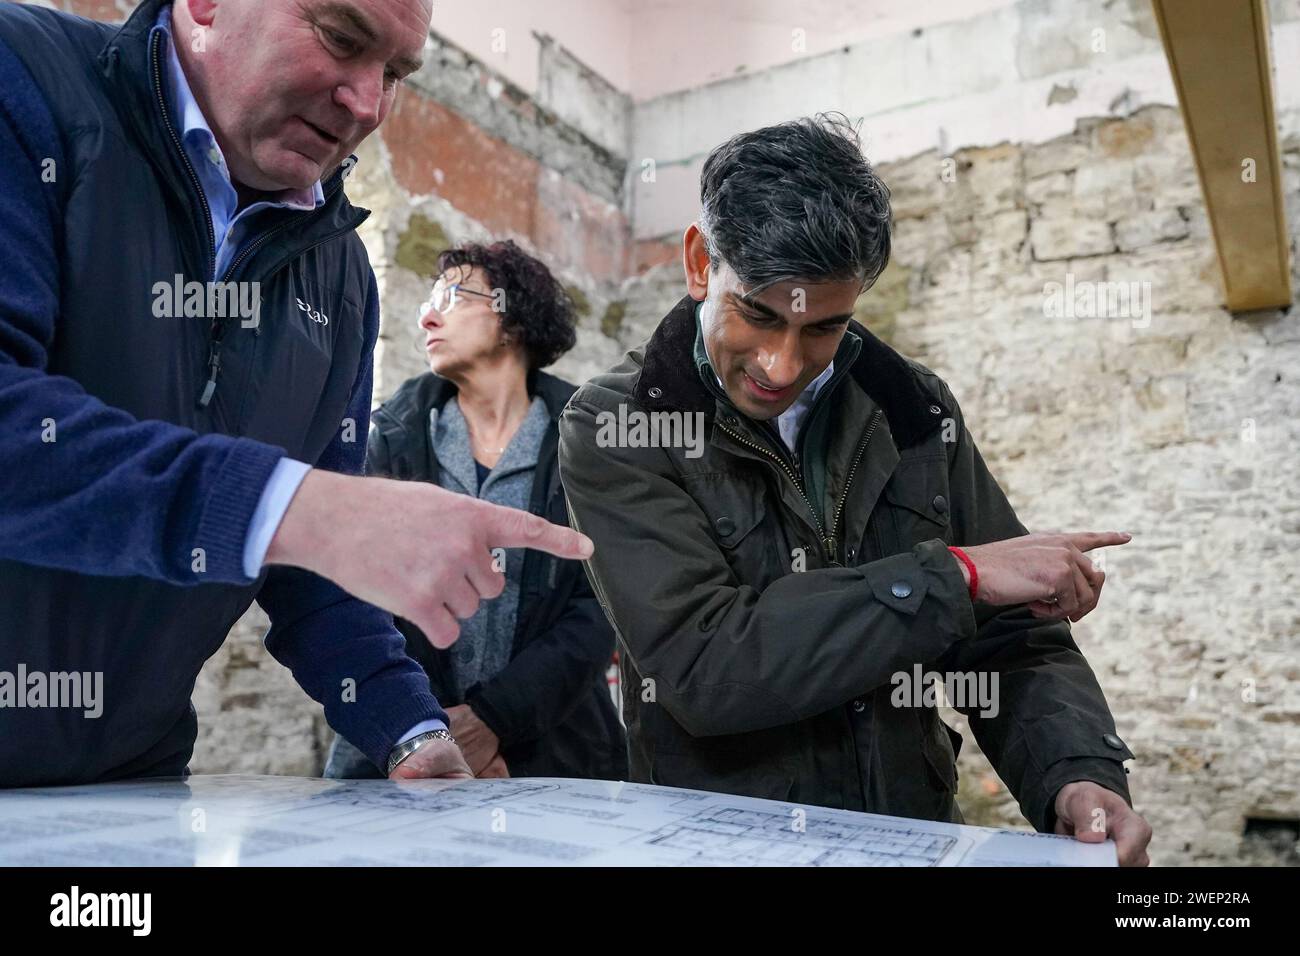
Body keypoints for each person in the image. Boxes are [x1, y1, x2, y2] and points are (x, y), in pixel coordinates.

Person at [0, 0, 588, 788]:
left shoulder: (342, 277)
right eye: (342, 39)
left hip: (127, 780)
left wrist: (410, 731)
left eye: (397, 74)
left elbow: (311, 562)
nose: (368, 104)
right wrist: (294, 508)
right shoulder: (23, 83)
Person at [558, 114, 1153, 865]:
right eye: (759, 316)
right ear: (700, 261)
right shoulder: (617, 425)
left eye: (822, 328)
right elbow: (705, 668)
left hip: (909, 837)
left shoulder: (913, 410)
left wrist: (1076, 774)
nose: (780, 364)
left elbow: (1012, 639)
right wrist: (958, 574)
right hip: (720, 850)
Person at [325, 241, 627, 781]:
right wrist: (423, 726)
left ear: (513, 319)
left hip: (551, 753)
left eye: (453, 295)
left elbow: (600, 609)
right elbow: (358, 600)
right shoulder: (390, 440)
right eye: (427, 298)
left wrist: (493, 719)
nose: (427, 313)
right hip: (399, 750)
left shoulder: (588, 443)